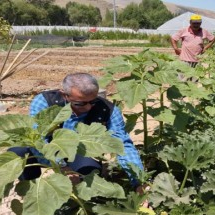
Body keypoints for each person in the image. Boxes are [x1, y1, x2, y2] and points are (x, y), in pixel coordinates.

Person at [8, 72, 143, 185]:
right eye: (80, 103)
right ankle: (31, 189)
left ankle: (78, 206)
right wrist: (62, 167)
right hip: (46, 148)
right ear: (64, 95)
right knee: (18, 152)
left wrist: (139, 181)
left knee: (90, 173)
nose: (88, 107)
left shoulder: (108, 109)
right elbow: (38, 138)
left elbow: (123, 145)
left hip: (79, 151)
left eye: (93, 101)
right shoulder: (45, 101)